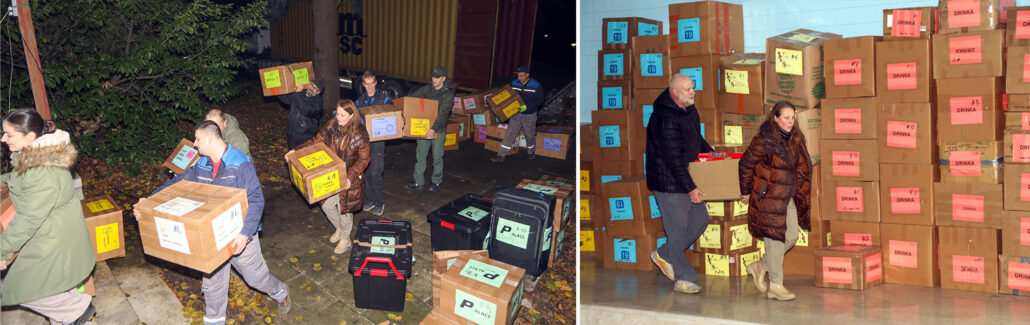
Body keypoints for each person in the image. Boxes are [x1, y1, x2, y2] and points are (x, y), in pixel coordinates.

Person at [135, 121, 291, 323]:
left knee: (256, 279)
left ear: (209, 139)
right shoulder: (201, 164)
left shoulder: (240, 164)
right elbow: (177, 183)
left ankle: (281, 292)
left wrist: (244, 235)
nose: (195, 144)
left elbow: (256, 199)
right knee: (213, 286)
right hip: (212, 237)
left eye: (197, 139)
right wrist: (149, 201)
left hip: (240, 236)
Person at [0, 108, 97, 323]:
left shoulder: (41, 170)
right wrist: (4, 179)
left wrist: (3, 250)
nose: (3, 139)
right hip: (56, 231)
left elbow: (27, 220)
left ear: (31, 136)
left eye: (9, 134)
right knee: (58, 286)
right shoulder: (36, 156)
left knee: (24, 288)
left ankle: (78, 311)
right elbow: (20, 176)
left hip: (55, 239)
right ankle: (69, 316)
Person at [645, 74, 714, 294]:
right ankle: (683, 278)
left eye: (693, 88)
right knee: (677, 229)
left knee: (701, 219)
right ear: (675, 93)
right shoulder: (664, 118)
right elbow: (673, 160)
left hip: (685, 177)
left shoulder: (689, 110)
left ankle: (665, 253)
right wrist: (691, 188)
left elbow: (696, 138)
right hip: (668, 182)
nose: (692, 92)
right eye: (687, 89)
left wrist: (712, 154)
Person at [739, 100, 812, 301]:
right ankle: (776, 285)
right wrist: (746, 191)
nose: (790, 121)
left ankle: (760, 265)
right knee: (776, 239)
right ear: (775, 118)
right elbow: (745, 164)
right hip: (768, 197)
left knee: (791, 236)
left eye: (793, 117)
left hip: (786, 196)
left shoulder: (796, 139)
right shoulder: (763, 140)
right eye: (786, 118)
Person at [287, 100, 371, 254]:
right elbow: (315, 141)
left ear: (352, 115)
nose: (338, 117)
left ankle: (346, 238)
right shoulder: (331, 127)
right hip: (331, 175)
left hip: (349, 178)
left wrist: (350, 177)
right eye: (337, 113)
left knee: (344, 209)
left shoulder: (360, 134)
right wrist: (296, 150)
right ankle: (339, 228)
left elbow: (364, 159)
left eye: (342, 115)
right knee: (325, 205)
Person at [404, 66, 454, 192]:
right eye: (433, 77)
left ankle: (436, 181)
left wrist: (433, 129)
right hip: (423, 128)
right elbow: (412, 97)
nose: (434, 80)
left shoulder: (448, 94)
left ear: (443, 78)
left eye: (437, 77)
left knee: (437, 157)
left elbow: (443, 114)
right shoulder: (427, 89)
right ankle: (418, 181)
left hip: (439, 129)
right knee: (420, 156)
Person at [355, 71, 396, 216]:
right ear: (364, 85)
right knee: (365, 172)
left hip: (378, 142)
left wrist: (401, 118)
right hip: (364, 142)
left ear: (376, 83)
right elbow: (353, 117)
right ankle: (370, 200)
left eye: (372, 82)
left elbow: (395, 112)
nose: (370, 86)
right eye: (367, 83)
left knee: (376, 172)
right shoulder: (359, 101)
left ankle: (379, 203)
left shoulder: (383, 99)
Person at [491, 66, 546, 162]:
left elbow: (540, 100)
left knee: (529, 135)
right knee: (510, 133)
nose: (519, 78)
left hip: (530, 115)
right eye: (518, 76)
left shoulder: (536, 85)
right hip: (516, 113)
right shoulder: (514, 83)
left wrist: (527, 107)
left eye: (521, 76)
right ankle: (501, 155)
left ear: (527, 75)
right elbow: (506, 94)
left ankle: (531, 152)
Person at [278, 80, 323, 148]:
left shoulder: (317, 104)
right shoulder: (301, 94)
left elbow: (305, 109)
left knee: (303, 156)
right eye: (312, 85)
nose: (312, 88)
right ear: (308, 84)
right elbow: (286, 99)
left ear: (318, 92)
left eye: (316, 88)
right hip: (292, 132)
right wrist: (279, 90)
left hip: (305, 136)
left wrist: (297, 93)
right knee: (291, 155)